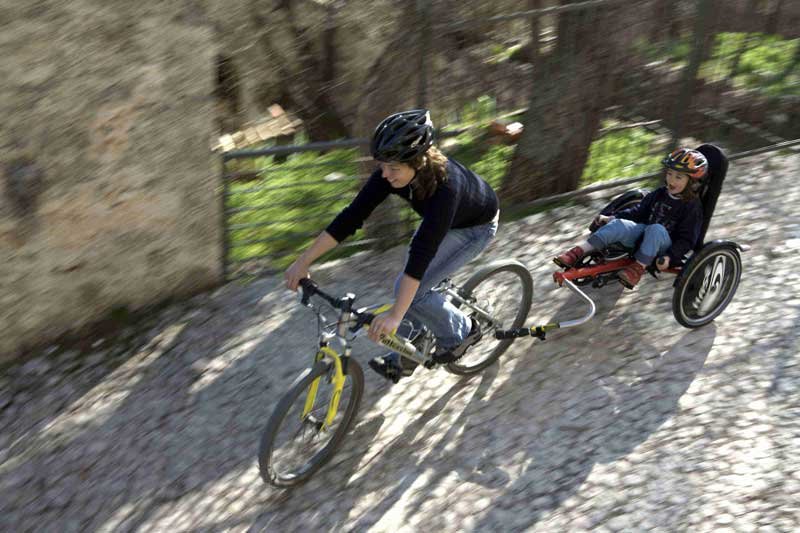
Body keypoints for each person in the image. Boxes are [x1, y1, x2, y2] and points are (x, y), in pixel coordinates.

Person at [284, 109, 500, 382]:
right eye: (382, 166)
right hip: (444, 223)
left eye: (393, 168)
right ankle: (415, 344)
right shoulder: (392, 172)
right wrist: (303, 262)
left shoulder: (447, 190)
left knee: (411, 289)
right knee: (411, 285)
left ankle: (464, 331)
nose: (384, 174)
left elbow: (421, 256)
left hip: (474, 228)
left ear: (419, 161)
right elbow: (351, 217)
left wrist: (395, 316)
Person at [554, 147, 707, 288]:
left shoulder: (692, 207)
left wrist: (669, 257)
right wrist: (613, 218)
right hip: (643, 234)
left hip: (663, 246)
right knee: (619, 224)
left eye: (678, 177)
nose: (671, 180)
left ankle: (637, 269)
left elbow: (687, 240)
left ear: (691, 182)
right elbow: (638, 212)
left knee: (656, 229)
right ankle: (578, 252)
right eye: (669, 174)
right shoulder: (660, 193)